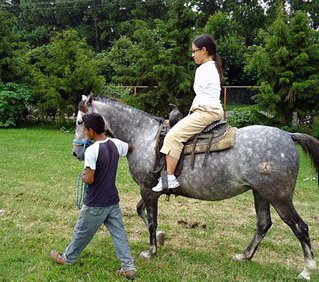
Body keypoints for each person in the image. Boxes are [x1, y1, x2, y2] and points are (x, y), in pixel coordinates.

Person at [50, 112, 137, 280]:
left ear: (91, 131)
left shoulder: (92, 151)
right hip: (112, 200)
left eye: (85, 130)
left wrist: (83, 176)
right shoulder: (115, 144)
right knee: (119, 233)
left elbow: (89, 179)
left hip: (95, 203)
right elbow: (130, 147)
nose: (85, 133)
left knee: (81, 231)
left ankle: (67, 258)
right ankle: (128, 267)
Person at [152, 34, 224, 192]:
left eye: (194, 51)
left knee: (173, 136)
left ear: (204, 50)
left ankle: (169, 178)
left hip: (206, 112)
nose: (193, 55)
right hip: (208, 110)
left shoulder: (204, 69)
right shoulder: (211, 67)